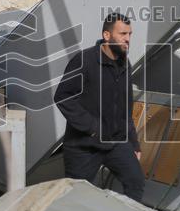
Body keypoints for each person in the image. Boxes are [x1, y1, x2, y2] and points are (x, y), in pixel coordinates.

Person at [54, 12, 145, 200]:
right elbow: (63, 97)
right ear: (107, 35)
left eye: (129, 34)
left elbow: (125, 109)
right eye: (122, 34)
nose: (127, 39)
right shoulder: (84, 60)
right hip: (84, 146)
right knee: (77, 197)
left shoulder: (124, 64)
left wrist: (134, 144)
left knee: (136, 182)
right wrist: (94, 129)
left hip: (116, 143)